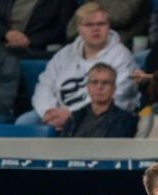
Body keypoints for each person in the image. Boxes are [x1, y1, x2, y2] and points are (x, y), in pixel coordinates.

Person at [16, 2, 136, 130]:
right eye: (89, 24)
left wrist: (72, 115)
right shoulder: (65, 54)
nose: (95, 29)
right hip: (58, 113)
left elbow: (118, 96)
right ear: (79, 28)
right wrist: (49, 111)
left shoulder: (121, 56)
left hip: (100, 116)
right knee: (24, 122)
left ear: (108, 26)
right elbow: (44, 85)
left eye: (101, 24)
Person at [61, 63, 137, 137]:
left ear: (114, 88)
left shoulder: (125, 120)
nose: (99, 87)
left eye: (105, 83)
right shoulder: (74, 117)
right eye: (94, 82)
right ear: (88, 87)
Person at [0, 0, 77, 56]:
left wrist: (29, 40)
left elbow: (62, 29)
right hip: (0, 43)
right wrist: (6, 33)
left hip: (36, 49)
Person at [66, 0, 150, 48]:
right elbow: (71, 29)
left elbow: (121, 16)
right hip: (84, 45)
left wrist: (92, 16)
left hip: (122, 41)